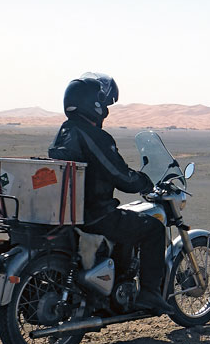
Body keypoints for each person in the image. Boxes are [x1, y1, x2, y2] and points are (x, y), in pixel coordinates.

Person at [48, 72, 173, 315]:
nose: (105, 110)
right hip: (96, 214)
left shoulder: (66, 131)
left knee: (127, 225)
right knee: (154, 229)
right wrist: (144, 182)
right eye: (104, 104)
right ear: (93, 105)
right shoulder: (94, 135)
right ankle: (149, 294)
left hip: (69, 213)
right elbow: (119, 174)